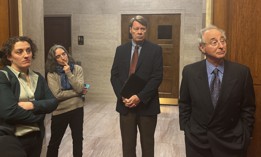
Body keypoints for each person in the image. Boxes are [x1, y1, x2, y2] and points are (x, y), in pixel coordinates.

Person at [179, 25, 256, 157]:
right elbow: (185, 103)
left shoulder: (241, 72)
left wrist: (245, 134)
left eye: (223, 41)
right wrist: (187, 129)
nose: (221, 46)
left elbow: (248, 107)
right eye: (214, 42)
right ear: (202, 48)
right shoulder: (190, 72)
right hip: (198, 141)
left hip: (232, 141)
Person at [110, 15, 163, 157]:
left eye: (143, 29)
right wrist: (122, 97)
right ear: (130, 30)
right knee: (127, 146)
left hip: (147, 105)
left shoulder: (155, 50)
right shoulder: (120, 50)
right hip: (125, 105)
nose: (140, 32)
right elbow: (114, 76)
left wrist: (139, 97)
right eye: (136, 28)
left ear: (146, 31)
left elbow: (157, 77)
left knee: (147, 145)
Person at [0, 36, 58, 157]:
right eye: (19, 52)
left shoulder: (38, 77)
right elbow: (9, 112)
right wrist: (40, 116)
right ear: (9, 56)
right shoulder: (3, 76)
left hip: (36, 137)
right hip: (13, 140)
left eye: (28, 50)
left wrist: (32, 105)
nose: (26, 55)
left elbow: (53, 102)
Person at [45, 44, 86, 157]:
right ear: (53, 59)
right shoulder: (51, 73)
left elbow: (79, 87)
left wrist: (68, 72)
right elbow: (57, 94)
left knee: (78, 140)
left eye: (64, 54)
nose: (63, 58)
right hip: (60, 111)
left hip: (77, 108)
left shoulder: (77, 69)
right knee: (54, 143)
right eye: (58, 56)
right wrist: (77, 93)